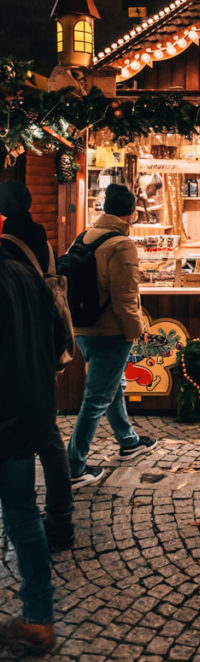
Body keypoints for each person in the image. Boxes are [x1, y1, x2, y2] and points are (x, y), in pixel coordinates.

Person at [0, 181, 74, 552]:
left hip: (16, 353)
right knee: (48, 438)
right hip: (43, 346)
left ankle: (23, 520)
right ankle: (60, 520)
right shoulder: (42, 242)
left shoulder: (7, 248)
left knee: (24, 441)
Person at [67, 183, 156, 488]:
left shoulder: (84, 236)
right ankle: (74, 466)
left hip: (82, 327)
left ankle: (128, 441)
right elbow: (125, 297)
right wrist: (135, 332)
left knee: (112, 384)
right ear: (131, 213)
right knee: (96, 399)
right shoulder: (122, 244)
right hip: (110, 330)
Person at [0, 239, 62, 651]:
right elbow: (54, 339)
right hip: (24, 413)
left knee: (22, 516)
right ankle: (39, 617)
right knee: (23, 516)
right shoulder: (24, 272)